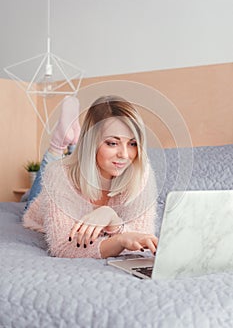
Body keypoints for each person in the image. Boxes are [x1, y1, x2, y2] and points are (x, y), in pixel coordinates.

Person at [23, 95, 158, 259]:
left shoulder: (140, 171)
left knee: (82, 162)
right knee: (50, 171)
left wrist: (113, 220)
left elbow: (142, 239)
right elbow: (63, 247)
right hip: (41, 206)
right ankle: (57, 145)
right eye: (112, 143)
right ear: (92, 142)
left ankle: (73, 141)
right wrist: (120, 239)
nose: (124, 155)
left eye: (133, 143)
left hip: (87, 162)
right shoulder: (58, 173)